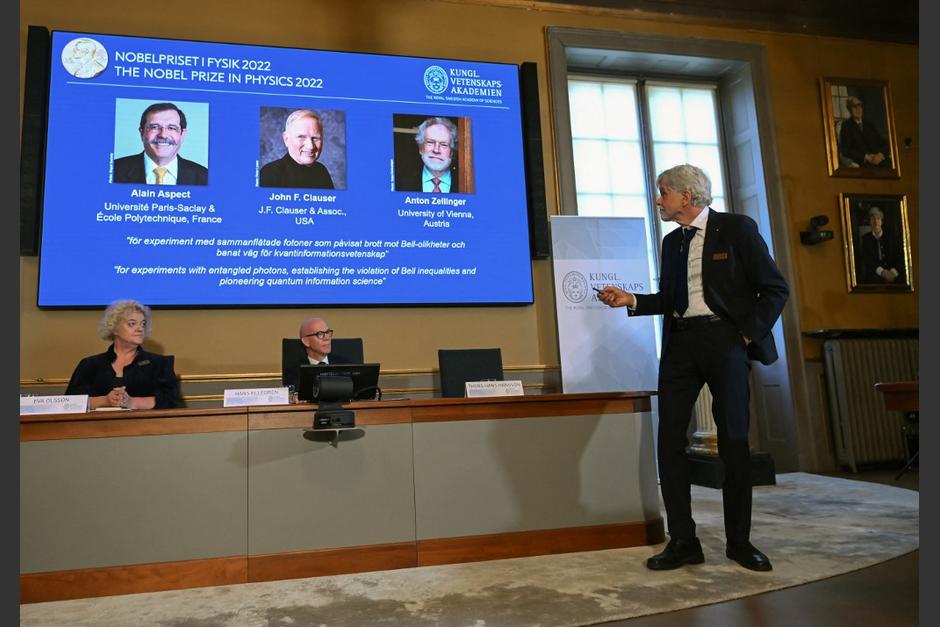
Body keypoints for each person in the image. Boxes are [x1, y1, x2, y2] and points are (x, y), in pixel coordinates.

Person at [597, 164, 789, 573]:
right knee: (669, 441)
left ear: (686, 196)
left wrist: (745, 336)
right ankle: (683, 541)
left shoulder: (736, 228)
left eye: (663, 191)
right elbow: (671, 299)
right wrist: (630, 299)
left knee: (734, 441)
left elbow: (774, 288)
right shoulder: (672, 242)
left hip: (725, 341)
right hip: (681, 344)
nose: (658, 199)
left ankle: (739, 542)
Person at [65, 299, 180, 409]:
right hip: (97, 428)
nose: (140, 329)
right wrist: (105, 401)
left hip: (145, 427)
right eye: (132, 324)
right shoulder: (90, 365)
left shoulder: (159, 364)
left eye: (143, 324)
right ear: (114, 329)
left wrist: (131, 402)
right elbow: (70, 403)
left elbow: (171, 401)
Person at [113, 102, 209, 185]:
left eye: (171, 128)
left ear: (182, 135)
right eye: (154, 127)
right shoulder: (114, 171)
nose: (163, 135)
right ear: (141, 133)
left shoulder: (204, 177)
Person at [259, 109, 335, 189]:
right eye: (301, 137)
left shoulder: (321, 171)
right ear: (286, 139)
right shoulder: (270, 174)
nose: (310, 146)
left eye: (315, 138)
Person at [281, 316, 350, 390]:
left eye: (327, 332)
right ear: (306, 341)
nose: (327, 338)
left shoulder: (346, 366)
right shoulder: (293, 373)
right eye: (320, 334)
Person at [396, 116, 460, 193]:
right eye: (430, 142)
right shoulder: (400, 182)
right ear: (421, 148)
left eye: (444, 145)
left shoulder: (464, 184)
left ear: (452, 152)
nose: (436, 150)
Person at [838, 96, 891, 168]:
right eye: (854, 106)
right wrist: (866, 157)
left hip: (879, 160)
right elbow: (846, 150)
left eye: (859, 105)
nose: (858, 109)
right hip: (862, 163)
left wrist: (880, 155)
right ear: (849, 109)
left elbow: (884, 143)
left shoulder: (869, 124)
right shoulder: (846, 126)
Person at [858, 206, 904, 284]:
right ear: (869, 222)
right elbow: (867, 260)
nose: (875, 222)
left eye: (878, 218)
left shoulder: (891, 237)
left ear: (882, 221)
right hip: (874, 277)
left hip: (894, 276)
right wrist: (882, 272)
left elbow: (899, 256)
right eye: (873, 219)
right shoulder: (865, 239)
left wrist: (892, 273)